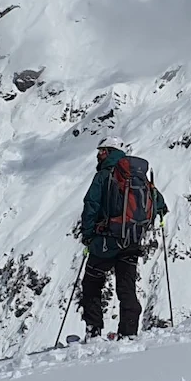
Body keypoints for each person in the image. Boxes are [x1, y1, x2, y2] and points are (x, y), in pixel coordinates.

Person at [78, 137, 169, 339]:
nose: (98, 155)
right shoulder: (138, 176)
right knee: (126, 288)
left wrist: (87, 235)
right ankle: (128, 333)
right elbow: (159, 202)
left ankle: (93, 332)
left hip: (105, 242)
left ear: (108, 152)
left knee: (92, 284)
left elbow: (91, 205)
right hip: (132, 241)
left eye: (101, 151)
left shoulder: (104, 176)